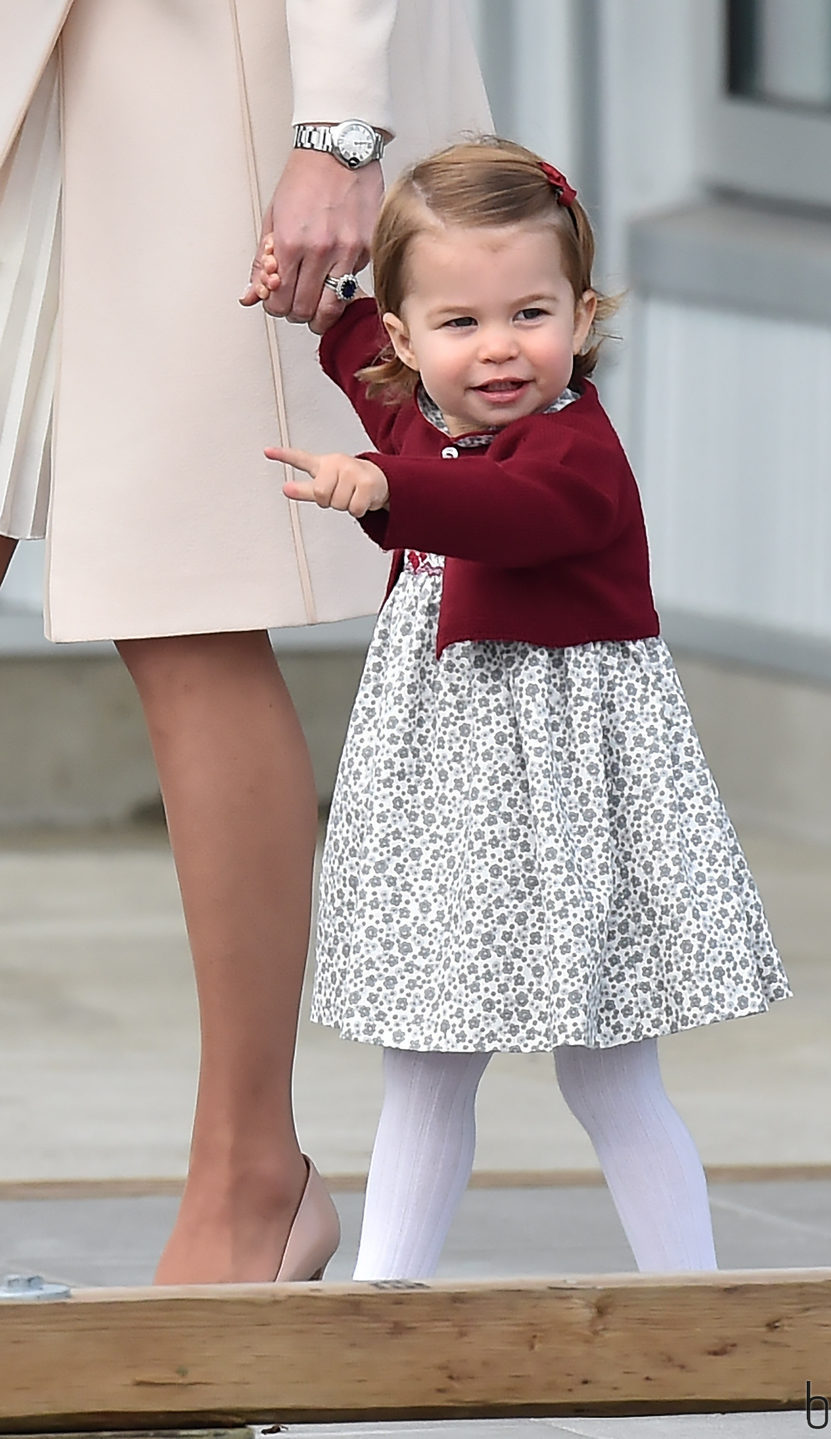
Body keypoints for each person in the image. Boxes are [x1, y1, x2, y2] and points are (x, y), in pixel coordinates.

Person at [0, 2, 490, 1283]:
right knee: (179, 613)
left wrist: (335, 124)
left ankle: (248, 1180)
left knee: (182, 612)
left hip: (189, 92)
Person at [267, 137, 793, 1281]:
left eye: (530, 313)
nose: (499, 347)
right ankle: (384, 1315)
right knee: (425, 1057)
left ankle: (689, 1304)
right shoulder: (425, 415)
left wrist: (386, 488)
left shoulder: (574, 456)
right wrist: (329, 316)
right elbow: (376, 369)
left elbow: (505, 507)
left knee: (605, 1066)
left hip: (570, 791)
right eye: (459, 324)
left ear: (581, 312)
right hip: (446, 787)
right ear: (411, 340)